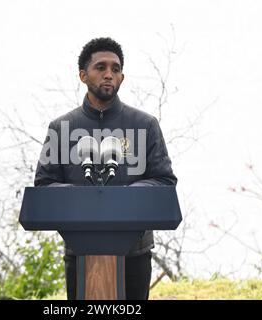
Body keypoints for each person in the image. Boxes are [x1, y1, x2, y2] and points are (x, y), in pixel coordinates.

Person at [34, 37, 177, 300]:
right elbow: (44, 185)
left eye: (115, 68)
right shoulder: (60, 128)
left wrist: (128, 195)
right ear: (82, 75)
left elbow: (164, 181)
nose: (109, 74)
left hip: (135, 253)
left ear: (122, 76)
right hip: (80, 252)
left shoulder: (145, 125)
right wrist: (80, 198)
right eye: (100, 67)